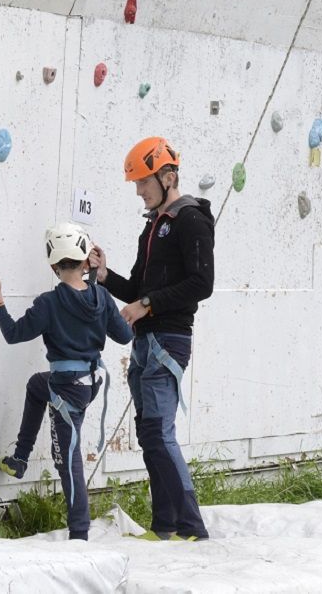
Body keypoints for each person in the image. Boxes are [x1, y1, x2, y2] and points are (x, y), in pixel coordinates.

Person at [90, 136, 214, 541]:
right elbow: (137, 289)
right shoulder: (154, 226)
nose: (139, 191)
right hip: (145, 343)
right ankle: (165, 526)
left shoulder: (191, 219)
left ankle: (191, 526)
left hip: (168, 341)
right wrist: (106, 276)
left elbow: (202, 283)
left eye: (143, 182)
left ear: (168, 175)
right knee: (149, 435)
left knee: (160, 433)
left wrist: (148, 303)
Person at [0, 222, 132, 540]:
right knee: (37, 385)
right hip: (90, 383)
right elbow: (124, 334)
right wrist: (98, 283)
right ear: (84, 260)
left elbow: (13, 334)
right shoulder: (102, 297)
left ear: (53, 266)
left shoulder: (47, 304)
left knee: (66, 457)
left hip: (68, 389)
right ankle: (20, 458)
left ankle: (80, 532)